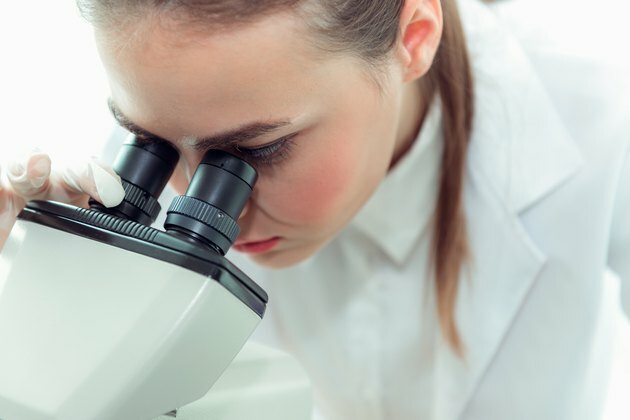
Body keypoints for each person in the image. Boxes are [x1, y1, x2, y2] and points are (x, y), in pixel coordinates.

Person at [0, 0, 628, 419]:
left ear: (414, 38)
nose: (204, 203)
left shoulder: (602, 113)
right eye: (155, 146)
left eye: (256, 151)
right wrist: (42, 340)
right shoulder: (137, 147)